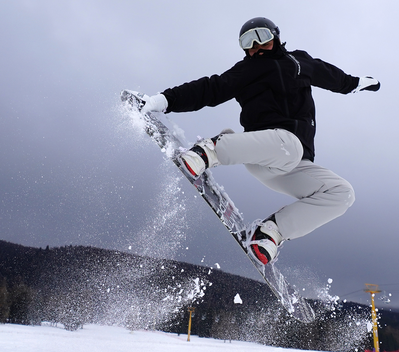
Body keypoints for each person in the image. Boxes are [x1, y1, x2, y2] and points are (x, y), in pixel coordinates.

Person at [141, 17, 380, 265]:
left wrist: (356, 84)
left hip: (291, 163)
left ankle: (271, 232)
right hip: (264, 150)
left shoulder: (299, 62)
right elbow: (210, 88)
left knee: (342, 193)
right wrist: (165, 100)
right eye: (247, 41)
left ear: (275, 37)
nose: (255, 45)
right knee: (290, 146)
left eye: (261, 37)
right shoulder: (248, 69)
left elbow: (331, 76)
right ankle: (209, 151)